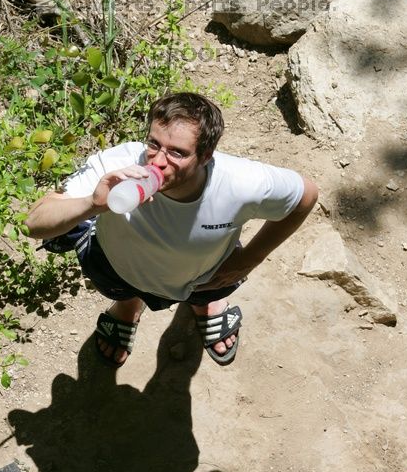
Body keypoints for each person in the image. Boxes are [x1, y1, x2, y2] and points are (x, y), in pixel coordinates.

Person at [26, 92, 318, 367]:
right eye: (153, 144)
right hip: (116, 267)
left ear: (206, 156)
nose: (158, 161)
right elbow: (34, 224)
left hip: (203, 277)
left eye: (177, 153)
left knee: (208, 290)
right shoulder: (118, 166)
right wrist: (92, 203)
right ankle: (128, 308)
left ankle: (207, 306)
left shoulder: (242, 183)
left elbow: (305, 196)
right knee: (119, 288)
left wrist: (249, 259)